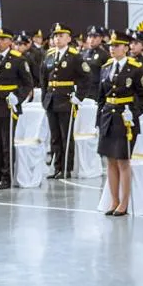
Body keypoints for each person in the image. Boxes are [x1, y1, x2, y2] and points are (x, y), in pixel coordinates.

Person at [97, 30, 143, 215]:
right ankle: (114, 200)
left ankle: (124, 202)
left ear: (126, 48)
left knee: (123, 161)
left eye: (117, 46)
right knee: (110, 161)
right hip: (108, 117)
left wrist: (134, 112)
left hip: (125, 119)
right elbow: (101, 97)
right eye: (111, 46)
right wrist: (99, 121)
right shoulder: (106, 67)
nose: (112, 49)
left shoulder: (135, 68)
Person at [0, 25, 35, 190]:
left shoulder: (18, 59)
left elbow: (28, 83)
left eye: (2, 39)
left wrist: (17, 97)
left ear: (10, 41)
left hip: (8, 106)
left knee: (5, 142)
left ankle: (6, 176)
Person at [41, 23, 89, 179]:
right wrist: (44, 98)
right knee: (55, 137)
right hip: (51, 99)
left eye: (61, 35)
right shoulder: (49, 55)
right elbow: (43, 79)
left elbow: (86, 78)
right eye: (55, 35)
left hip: (66, 100)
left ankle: (66, 168)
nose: (57, 38)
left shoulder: (74, 56)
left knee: (65, 135)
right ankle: (57, 167)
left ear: (68, 38)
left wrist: (79, 96)